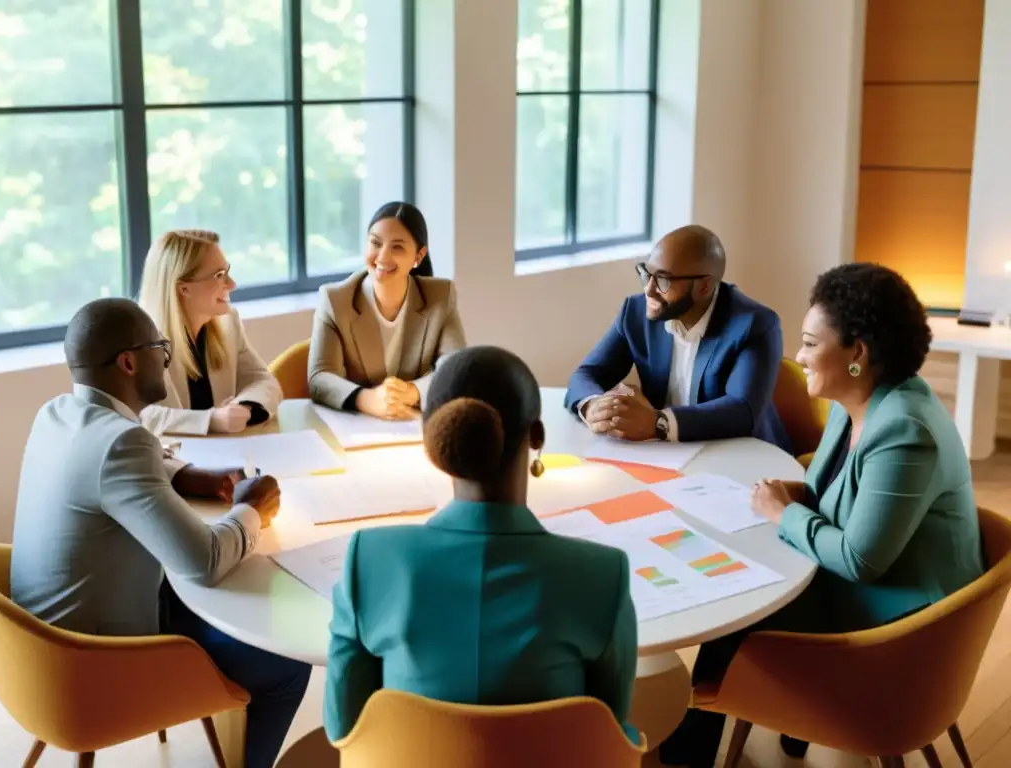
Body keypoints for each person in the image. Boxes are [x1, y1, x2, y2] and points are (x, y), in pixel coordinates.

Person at [659, 263, 985, 768]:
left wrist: (784, 514)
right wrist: (788, 496)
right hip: (877, 587)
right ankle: (756, 733)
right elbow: (833, 490)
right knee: (738, 588)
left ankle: (684, 756)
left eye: (811, 343)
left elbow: (860, 560)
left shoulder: (905, 429)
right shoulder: (856, 401)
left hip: (900, 631)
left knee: (734, 616)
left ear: (857, 353)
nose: (798, 355)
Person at [10, 298, 312, 768]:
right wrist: (253, 510)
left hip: (36, 657)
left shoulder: (57, 414)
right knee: (284, 664)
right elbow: (205, 562)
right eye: (160, 348)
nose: (167, 361)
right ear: (129, 362)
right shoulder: (122, 443)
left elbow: (109, 472)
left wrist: (184, 473)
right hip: (96, 665)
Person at [324, 345, 639, 743]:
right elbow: (610, 731)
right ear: (537, 437)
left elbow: (343, 728)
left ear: (431, 440)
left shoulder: (367, 560)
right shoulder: (602, 575)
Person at [565, 225, 789, 451]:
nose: (649, 290)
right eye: (646, 274)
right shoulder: (635, 312)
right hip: (669, 454)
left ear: (704, 287)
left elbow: (742, 411)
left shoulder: (755, 325)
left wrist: (658, 423)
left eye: (663, 279)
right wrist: (593, 405)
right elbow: (587, 374)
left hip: (747, 456)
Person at [308, 201, 466, 419]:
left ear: (418, 257)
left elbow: (456, 367)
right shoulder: (336, 300)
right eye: (375, 243)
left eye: (397, 247)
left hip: (413, 427)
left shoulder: (440, 297)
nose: (382, 256)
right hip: (355, 429)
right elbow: (320, 376)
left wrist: (413, 392)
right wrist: (367, 399)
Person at [138, 229, 283, 435]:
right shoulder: (139, 340)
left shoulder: (228, 323)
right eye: (219, 275)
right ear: (183, 288)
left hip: (225, 453)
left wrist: (243, 409)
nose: (232, 284)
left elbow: (263, 381)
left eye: (227, 271)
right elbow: (138, 416)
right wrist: (211, 420)